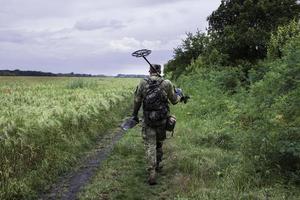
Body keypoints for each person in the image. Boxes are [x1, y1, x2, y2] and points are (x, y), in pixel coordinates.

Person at [131, 64, 183, 185]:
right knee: (158, 143)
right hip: (162, 119)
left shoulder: (143, 83)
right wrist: (179, 94)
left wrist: (134, 115)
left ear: (149, 71)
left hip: (148, 119)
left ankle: (152, 171)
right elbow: (174, 101)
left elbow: (137, 100)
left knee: (150, 145)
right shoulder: (167, 83)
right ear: (160, 71)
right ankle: (158, 165)